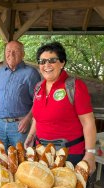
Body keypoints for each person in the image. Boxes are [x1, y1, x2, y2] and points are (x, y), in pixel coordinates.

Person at [24, 41, 96, 174]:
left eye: (52, 60)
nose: (46, 65)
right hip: (41, 153)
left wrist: (90, 153)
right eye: (42, 61)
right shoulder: (38, 88)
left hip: (70, 155)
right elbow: (37, 117)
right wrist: (31, 135)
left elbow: (88, 122)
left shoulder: (75, 86)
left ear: (62, 62)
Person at [0, 40, 41, 151]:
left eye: (15, 51)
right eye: (8, 51)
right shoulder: (0, 72)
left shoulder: (31, 73)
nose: (11, 54)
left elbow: (38, 101)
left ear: (23, 54)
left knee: (21, 160)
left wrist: (28, 119)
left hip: (19, 126)